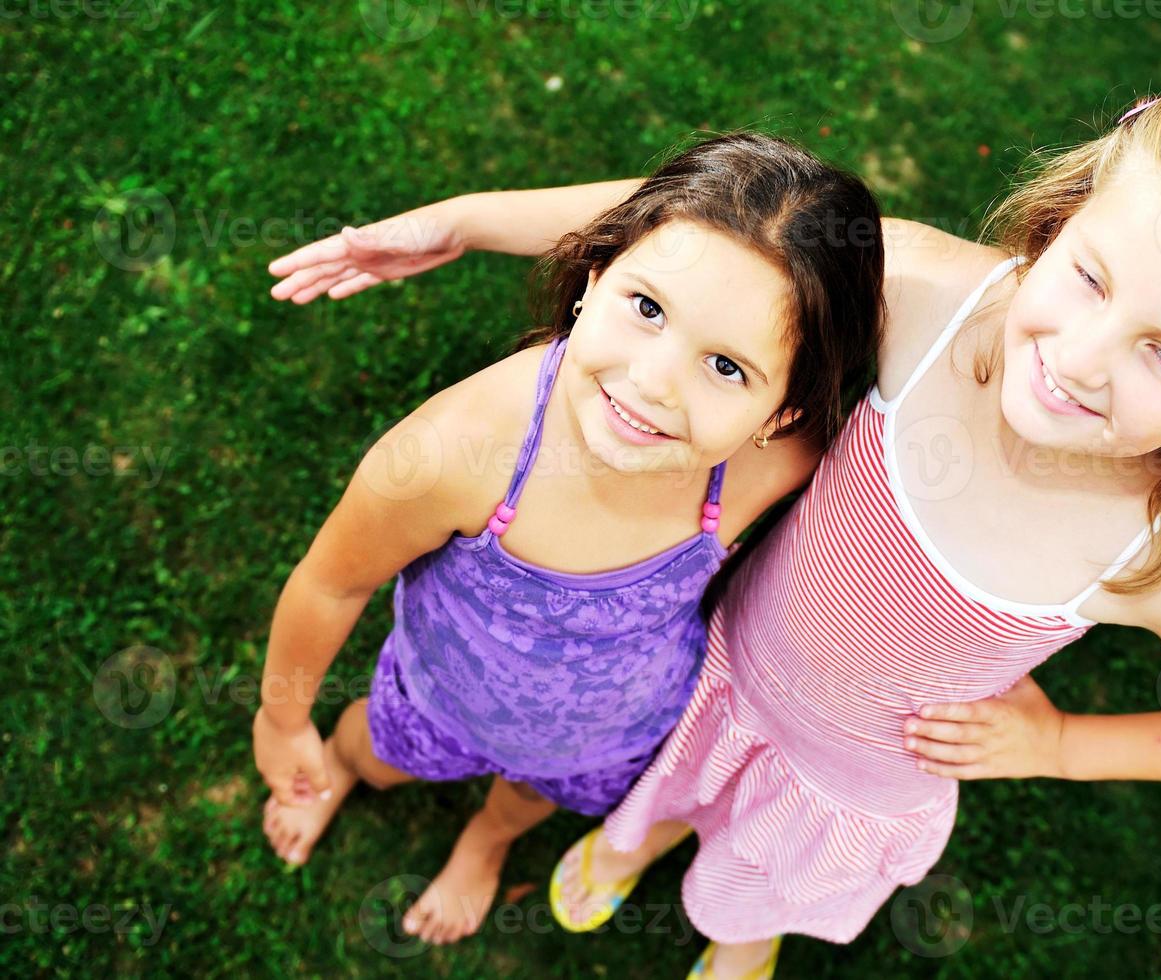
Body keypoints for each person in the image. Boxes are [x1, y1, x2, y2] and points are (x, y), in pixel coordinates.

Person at [267, 79, 1161, 979]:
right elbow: (691, 236)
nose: (1082, 357)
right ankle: (644, 834)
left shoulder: (1158, 549)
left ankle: (742, 930)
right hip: (717, 674)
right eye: (1090, 277)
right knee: (662, 791)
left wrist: (1061, 745)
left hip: (845, 779)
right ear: (1059, 226)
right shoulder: (928, 294)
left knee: (759, 884)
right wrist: (464, 224)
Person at [253, 132, 885, 948]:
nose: (654, 382)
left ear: (783, 414)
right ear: (595, 277)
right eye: (648, 308)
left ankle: (487, 839)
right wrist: (281, 721)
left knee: (525, 797)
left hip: (607, 731)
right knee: (380, 749)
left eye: (726, 367)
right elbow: (330, 584)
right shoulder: (453, 455)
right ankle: (340, 768)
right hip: (443, 692)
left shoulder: (773, 467)